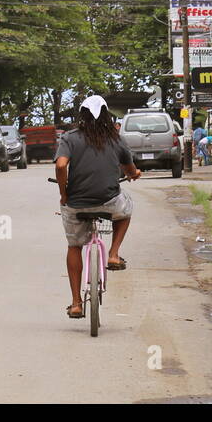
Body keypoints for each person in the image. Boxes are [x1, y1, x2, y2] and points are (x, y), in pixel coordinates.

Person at [54, 94, 141, 319]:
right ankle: (113, 254)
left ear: (81, 116)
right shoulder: (115, 138)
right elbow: (130, 169)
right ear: (106, 115)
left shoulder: (70, 138)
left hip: (76, 204)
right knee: (127, 207)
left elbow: (61, 164)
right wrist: (134, 174)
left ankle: (75, 303)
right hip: (109, 202)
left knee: (74, 246)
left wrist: (64, 193)